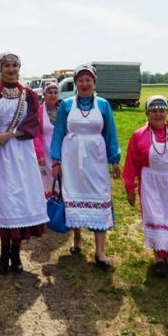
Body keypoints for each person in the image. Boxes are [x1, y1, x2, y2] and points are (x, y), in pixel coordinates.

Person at [0, 52, 48, 275]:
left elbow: (32, 125)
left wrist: (9, 135)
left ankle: (16, 254)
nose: (11, 69)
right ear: (1, 68)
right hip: (0, 156)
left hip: (22, 153)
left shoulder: (28, 95)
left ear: (20, 68)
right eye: (7, 65)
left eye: (14, 65)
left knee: (20, 199)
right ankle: (3, 252)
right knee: (4, 201)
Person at [50, 63, 121, 270]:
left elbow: (110, 134)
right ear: (75, 83)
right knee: (74, 195)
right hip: (72, 159)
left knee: (100, 195)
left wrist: (114, 159)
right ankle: (77, 239)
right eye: (80, 80)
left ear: (94, 82)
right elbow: (59, 132)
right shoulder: (66, 105)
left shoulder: (103, 105)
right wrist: (56, 160)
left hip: (96, 160)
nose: (84, 83)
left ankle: (100, 251)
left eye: (88, 79)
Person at [123, 95, 168, 276]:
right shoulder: (139, 135)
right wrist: (129, 186)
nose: (158, 114)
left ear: (167, 112)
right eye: (154, 110)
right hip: (151, 184)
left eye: (161, 110)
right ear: (147, 113)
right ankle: (159, 258)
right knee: (157, 218)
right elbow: (131, 162)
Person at [34, 81, 61, 198]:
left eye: (55, 92)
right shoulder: (39, 111)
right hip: (45, 149)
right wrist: (39, 154)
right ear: (44, 94)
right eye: (50, 92)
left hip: (61, 149)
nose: (53, 95)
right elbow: (36, 134)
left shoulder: (63, 110)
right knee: (47, 178)